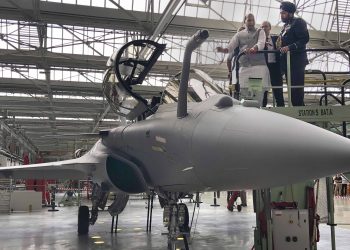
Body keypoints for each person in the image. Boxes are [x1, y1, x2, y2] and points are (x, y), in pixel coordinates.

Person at [217, 13, 270, 106]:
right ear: (244, 21)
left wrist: (254, 49)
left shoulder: (260, 31)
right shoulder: (239, 34)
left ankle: (257, 113)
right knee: (244, 93)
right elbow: (230, 47)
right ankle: (245, 114)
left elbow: (261, 43)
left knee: (256, 94)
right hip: (244, 68)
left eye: (253, 20)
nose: (251, 22)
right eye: (249, 20)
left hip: (257, 68)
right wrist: (223, 50)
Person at [278, 1, 309, 106]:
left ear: (291, 13)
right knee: (292, 91)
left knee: (297, 92)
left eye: (284, 13)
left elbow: (304, 39)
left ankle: (300, 113)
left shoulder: (298, 22)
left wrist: (289, 47)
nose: (281, 15)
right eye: (281, 13)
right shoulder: (285, 26)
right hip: (288, 63)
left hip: (297, 62)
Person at [261, 21, 285, 107]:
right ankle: (262, 109)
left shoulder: (276, 38)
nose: (264, 28)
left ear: (270, 28)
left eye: (266, 26)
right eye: (262, 27)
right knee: (263, 91)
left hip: (275, 67)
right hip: (264, 68)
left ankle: (281, 109)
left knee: (278, 91)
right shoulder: (258, 41)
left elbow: (281, 50)